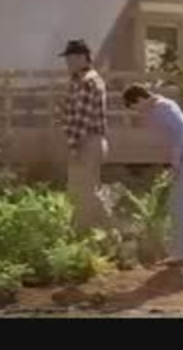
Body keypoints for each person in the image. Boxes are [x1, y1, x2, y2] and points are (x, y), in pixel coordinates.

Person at [123, 83, 183, 276]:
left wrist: (176, 161)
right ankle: (181, 251)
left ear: (140, 99)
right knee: (176, 204)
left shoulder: (163, 108)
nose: (138, 112)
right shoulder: (161, 106)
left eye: (135, 107)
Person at [58, 39, 112, 233]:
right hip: (86, 140)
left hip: (87, 141)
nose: (67, 63)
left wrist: (73, 147)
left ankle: (108, 230)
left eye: (70, 58)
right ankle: (86, 231)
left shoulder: (88, 82)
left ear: (82, 58)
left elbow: (81, 119)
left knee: (86, 191)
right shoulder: (78, 81)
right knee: (79, 190)